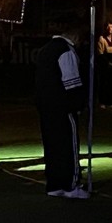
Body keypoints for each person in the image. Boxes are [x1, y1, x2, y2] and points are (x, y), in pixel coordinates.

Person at [34, 23, 90, 199]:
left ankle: (54, 184)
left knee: (52, 146)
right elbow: (72, 83)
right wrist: (78, 105)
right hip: (63, 108)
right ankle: (70, 185)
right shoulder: (66, 51)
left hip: (46, 108)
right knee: (68, 146)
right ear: (75, 37)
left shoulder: (44, 50)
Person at [96, 21, 112, 109]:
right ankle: (102, 102)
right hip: (104, 64)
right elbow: (100, 53)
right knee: (103, 83)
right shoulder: (101, 39)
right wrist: (108, 63)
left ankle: (111, 102)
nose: (110, 28)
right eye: (108, 27)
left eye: (111, 27)